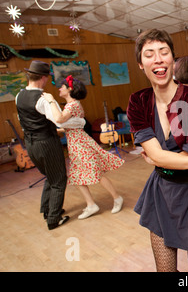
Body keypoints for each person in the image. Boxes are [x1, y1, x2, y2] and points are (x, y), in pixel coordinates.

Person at [127, 29, 188, 272]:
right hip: (160, 192)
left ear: (172, 58)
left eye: (164, 52)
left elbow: (185, 156)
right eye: (149, 54)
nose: (158, 59)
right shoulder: (138, 101)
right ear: (141, 64)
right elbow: (159, 156)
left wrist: (159, 159)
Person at [15, 61, 85, 230]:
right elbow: (58, 120)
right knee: (59, 179)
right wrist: (80, 122)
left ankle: (47, 210)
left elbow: (21, 120)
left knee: (50, 176)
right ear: (44, 78)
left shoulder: (19, 95)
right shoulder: (43, 99)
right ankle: (53, 219)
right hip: (46, 143)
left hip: (30, 144)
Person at [42, 76, 124, 219]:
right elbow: (69, 126)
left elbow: (60, 119)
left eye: (62, 86)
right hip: (75, 144)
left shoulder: (72, 105)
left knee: (96, 173)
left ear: (69, 89)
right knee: (77, 176)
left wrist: (50, 101)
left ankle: (117, 198)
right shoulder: (71, 105)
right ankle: (91, 204)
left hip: (81, 144)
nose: (59, 89)